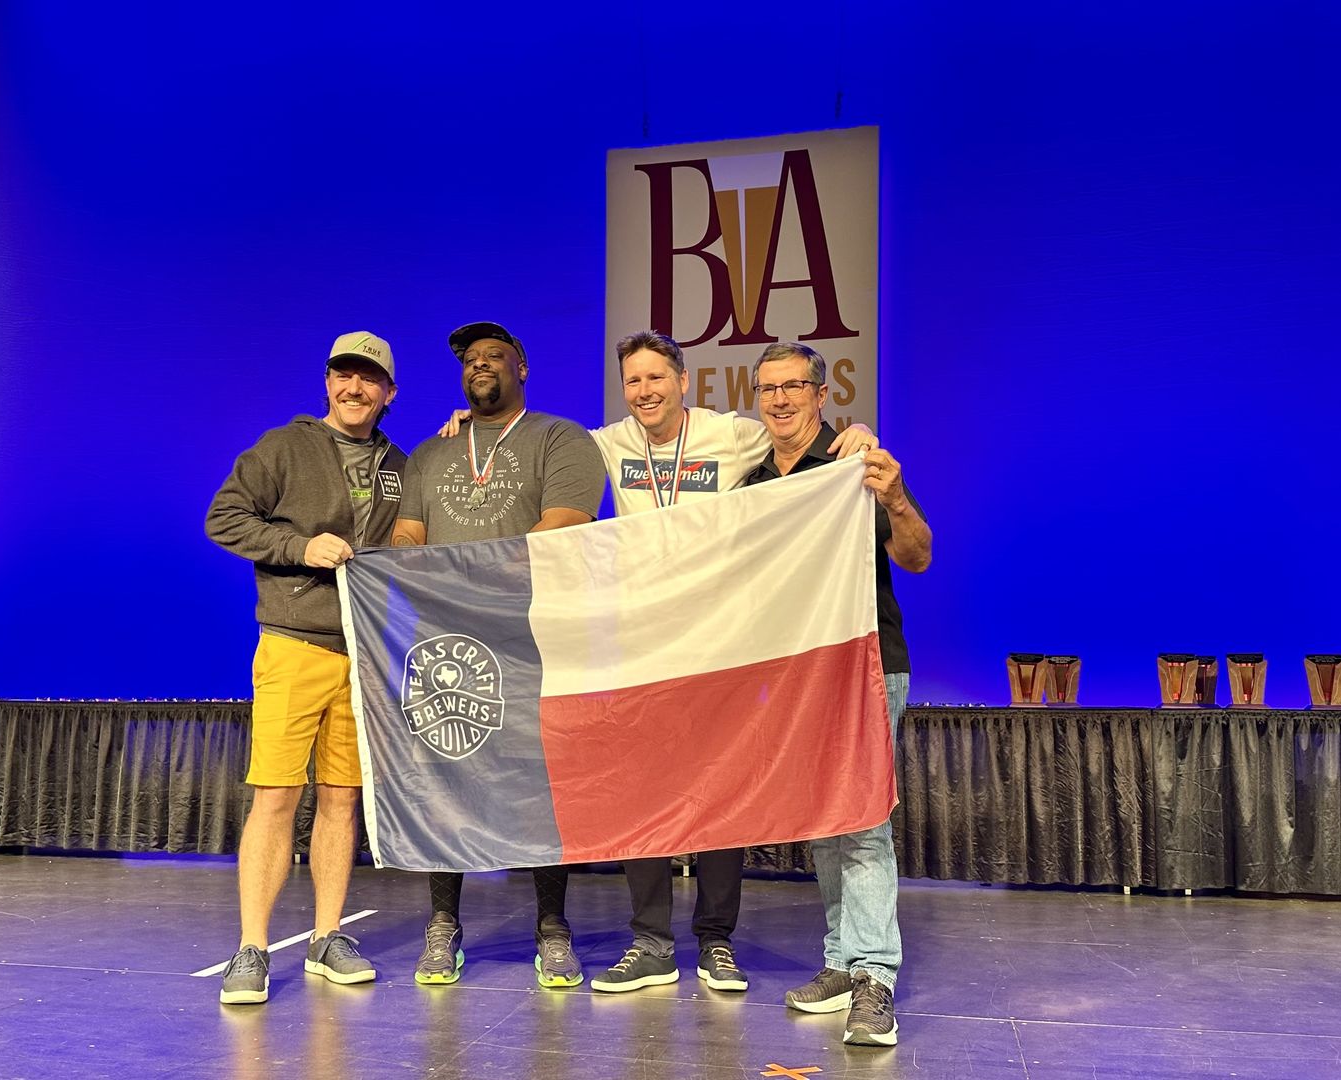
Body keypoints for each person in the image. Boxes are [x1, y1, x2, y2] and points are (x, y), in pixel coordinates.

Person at [581, 331, 875, 997]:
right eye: (633, 381)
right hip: (644, 648)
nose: (645, 391)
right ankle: (651, 943)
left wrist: (856, 432)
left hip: (720, 646)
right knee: (644, 795)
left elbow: (804, 436)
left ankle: (715, 941)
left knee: (718, 791)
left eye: (657, 377)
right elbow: (544, 450)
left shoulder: (732, 436)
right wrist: (468, 423)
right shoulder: (609, 443)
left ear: (684, 382)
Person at [391, 320, 606, 989]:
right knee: (444, 777)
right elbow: (406, 536)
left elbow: (562, 527)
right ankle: (442, 923)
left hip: (531, 639)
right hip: (447, 643)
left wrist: (466, 583)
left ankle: (552, 924)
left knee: (538, 783)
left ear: (522, 367)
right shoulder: (430, 453)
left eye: (494, 356)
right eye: (470, 360)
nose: (479, 365)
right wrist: (429, 579)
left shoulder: (559, 437)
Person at [204, 331, 408, 1005]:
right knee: (277, 796)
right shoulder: (284, 447)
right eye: (344, 375)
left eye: (369, 379)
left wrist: (454, 442)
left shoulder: (400, 465)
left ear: (389, 394)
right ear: (327, 383)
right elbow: (224, 519)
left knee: (343, 799)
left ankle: (327, 937)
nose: (355, 387)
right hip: (294, 644)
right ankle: (251, 948)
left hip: (363, 652)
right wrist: (296, 545)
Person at [742, 341, 931, 1048]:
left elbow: (917, 556)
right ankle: (841, 962)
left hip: (869, 665)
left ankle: (876, 977)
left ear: (822, 395)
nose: (781, 400)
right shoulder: (756, 481)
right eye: (769, 389)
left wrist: (895, 495)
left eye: (795, 387)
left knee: (863, 822)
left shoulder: (856, 465)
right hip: (800, 675)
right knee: (824, 821)